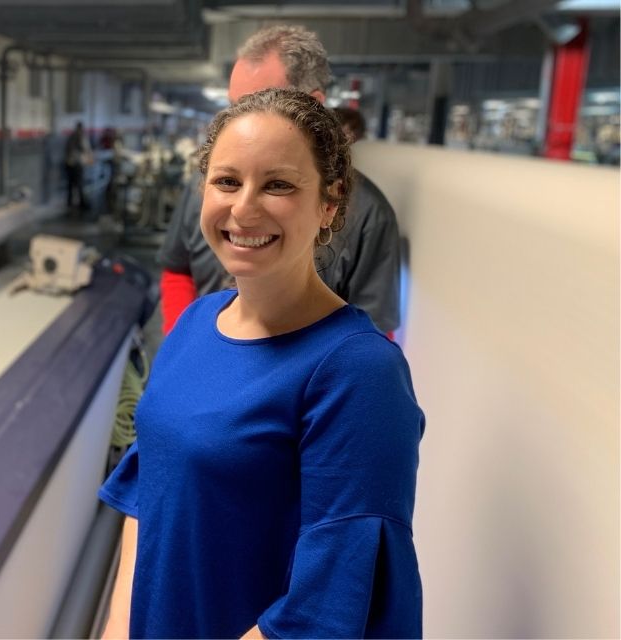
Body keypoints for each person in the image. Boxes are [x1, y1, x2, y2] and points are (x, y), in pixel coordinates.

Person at [99, 88, 424, 639]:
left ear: (329, 203)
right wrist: (115, 627)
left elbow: (323, 610)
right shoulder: (197, 325)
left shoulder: (357, 373)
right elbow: (147, 490)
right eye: (227, 181)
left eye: (278, 185)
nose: (244, 208)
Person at [158, 26, 401, 336]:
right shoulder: (209, 183)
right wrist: (185, 345)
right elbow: (177, 268)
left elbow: (373, 334)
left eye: (263, 103)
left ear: (329, 206)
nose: (243, 210)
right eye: (235, 107)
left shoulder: (368, 215)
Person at [64, 121, 92, 213]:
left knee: (71, 184)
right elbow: (85, 149)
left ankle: (70, 203)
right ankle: (81, 203)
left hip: (70, 163)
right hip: (76, 163)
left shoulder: (71, 137)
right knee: (79, 184)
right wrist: (89, 157)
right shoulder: (80, 137)